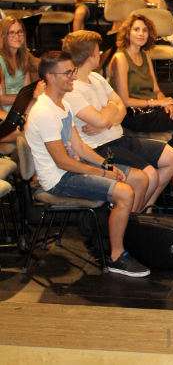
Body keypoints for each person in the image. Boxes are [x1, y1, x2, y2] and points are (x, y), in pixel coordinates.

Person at [25, 51, 150, 277]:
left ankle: (122, 239)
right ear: (50, 77)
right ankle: (116, 257)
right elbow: (62, 161)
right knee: (124, 193)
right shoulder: (43, 112)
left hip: (69, 170)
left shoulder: (63, 104)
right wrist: (101, 173)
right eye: (68, 73)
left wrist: (106, 166)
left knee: (134, 179)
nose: (73, 76)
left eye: (73, 71)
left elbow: (80, 147)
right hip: (57, 180)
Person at [63, 30, 173, 210]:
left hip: (119, 137)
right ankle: (132, 217)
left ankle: (145, 208)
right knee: (150, 175)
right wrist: (111, 109)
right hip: (100, 147)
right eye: (97, 50)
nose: (100, 53)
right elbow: (105, 115)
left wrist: (106, 120)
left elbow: (122, 109)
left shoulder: (96, 77)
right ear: (89, 55)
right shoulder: (72, 89)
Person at [109, 13, 173, 136]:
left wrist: (167, 103)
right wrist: (157, 103)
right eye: (136, 29)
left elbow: (156, 90)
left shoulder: (145, 55)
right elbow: (124, 101)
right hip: (133, 114)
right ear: (128, 33)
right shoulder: (120, 58)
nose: (141, 33)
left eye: (145, 30)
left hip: (152, 108)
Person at [0, 17, 38, 114]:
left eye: (20, 32)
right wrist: (32, 96)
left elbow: (26, 90)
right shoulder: (0, 61)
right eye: (11, 32)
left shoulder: (23, 57)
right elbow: (1, 99)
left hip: (23, 104)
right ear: (3, 36)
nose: (17, 36)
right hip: (7, 110)